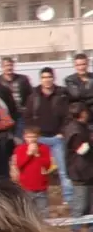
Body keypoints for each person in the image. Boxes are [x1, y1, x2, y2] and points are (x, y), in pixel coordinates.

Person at [25, 67, 73, 205]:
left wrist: (62, 133)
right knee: (36, 170)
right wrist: (32, 136)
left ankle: (68, 199)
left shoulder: (61, 94)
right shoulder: (33, 96)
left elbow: (67, 116)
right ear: (41, 79)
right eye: (44, 77)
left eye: (49, 77)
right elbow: (27, 117)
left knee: (63, 170)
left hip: (56, 138)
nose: (47, 80)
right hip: (39, 138)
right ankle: (36, 199)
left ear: (53, 78)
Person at [64, 102, 93, 232]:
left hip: (87, 170)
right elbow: (81, 150)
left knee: (90, 204)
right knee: (81, 204)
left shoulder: (83, 127)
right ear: (82, 113)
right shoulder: (74, 129)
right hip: (80, 171)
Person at [14, 126, 53, 218]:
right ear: (24, 137)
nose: (31, 139)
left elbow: (47, 165)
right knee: (27, 212)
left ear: (38, 137)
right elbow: (19, 165)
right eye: (29, 137)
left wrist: (37, 155)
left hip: (41, 186)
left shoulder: (44, 148)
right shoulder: (20, 149)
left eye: (34, 137)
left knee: (43, 212)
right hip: (26, 187)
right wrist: (28, 154)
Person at [0, 57, 33, 139]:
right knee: (7, 138)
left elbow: (31, 96)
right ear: (2, 67)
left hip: (20, 114)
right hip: (4, 115)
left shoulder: (22, 79)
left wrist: (27, 110)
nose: (9, 68)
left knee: (19, 138)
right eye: (6, 65)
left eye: (10, 65)